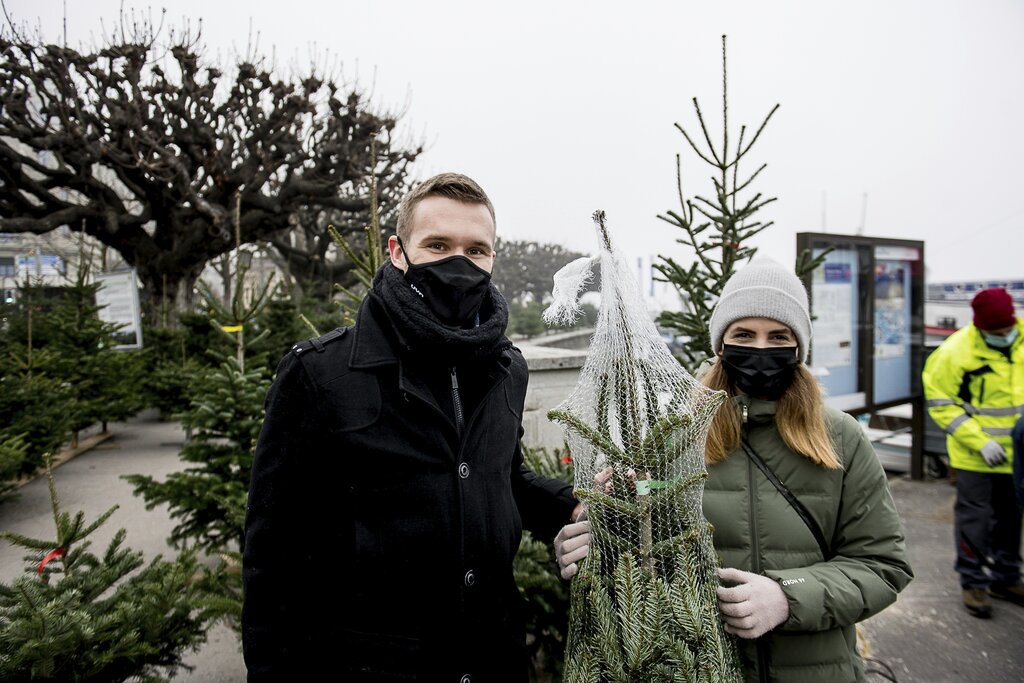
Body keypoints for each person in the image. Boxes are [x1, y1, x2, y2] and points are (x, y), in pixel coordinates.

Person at [242, 173, 579, 682]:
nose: (458, 264)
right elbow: (274, 558)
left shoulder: (507, 368)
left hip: (493, 659)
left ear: (492, 258)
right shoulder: (321, 374)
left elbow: (500, 478)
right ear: (399, 251)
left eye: (476, 250)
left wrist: (572, 504)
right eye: (438, 245)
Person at [555, 258, 913, 682]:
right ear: (721, 344)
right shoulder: (678, 434)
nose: (761, 349)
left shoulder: (840, 438)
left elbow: (883, 565)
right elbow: (653, 516)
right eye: (744, 334)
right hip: (699, 669)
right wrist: (606, 523)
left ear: (798, 347)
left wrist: (788, 596)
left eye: (778, 336)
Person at [923, 287, 1024, 618]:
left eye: (1007, 330)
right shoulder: (954, 353)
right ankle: (973, 582)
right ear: (979, 326)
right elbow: (940, 401)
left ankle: (1007, 577)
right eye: (996, 333)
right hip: (975, 456)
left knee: (1011, 518)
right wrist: (980, 441)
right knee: (974, 519)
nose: (1003, 336)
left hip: (1017, 456)